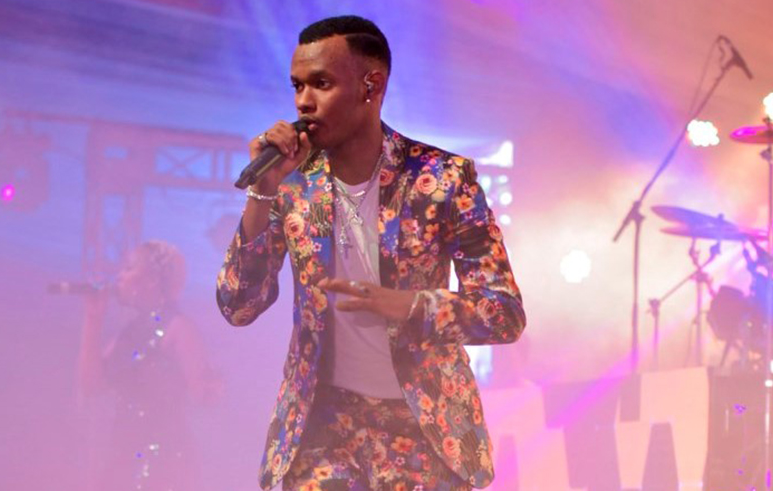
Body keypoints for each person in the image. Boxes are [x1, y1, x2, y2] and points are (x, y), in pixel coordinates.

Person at [216, 15, 526, 491]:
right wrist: (262, 192)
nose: (303, 101)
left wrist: (409, 306)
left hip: (422, 427)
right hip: (323, 427)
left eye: (321, 84)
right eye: (297, 85)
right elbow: (238, 305)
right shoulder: (291, 182)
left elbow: (504, 313)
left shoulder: (441, 179)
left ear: (371, 85)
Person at [78, 240, 218, 491]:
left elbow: (206, 395)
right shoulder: (129, 334)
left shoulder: (178, 328)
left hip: (164, 461)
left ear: (152, 280)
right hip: (122, 455)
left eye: (129, 268)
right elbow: (91, 385)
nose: (119, 276)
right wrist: (93, 319)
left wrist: (208, 384)